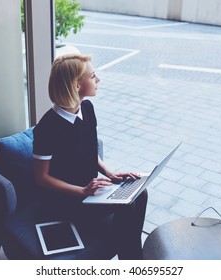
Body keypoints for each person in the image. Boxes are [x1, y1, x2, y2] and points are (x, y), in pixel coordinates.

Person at [32, 53, 148, 259]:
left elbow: (88, 150)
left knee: (139, 192)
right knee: (127, 207)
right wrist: (81, 191)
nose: (98, 80)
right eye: (93, 76)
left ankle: (131, 254)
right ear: (77, 85)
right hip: (67, 199)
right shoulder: (47, 128)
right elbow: (41, 178)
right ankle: (132, 258)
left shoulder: (87, 107)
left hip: (91, 188)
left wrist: (110, 173)